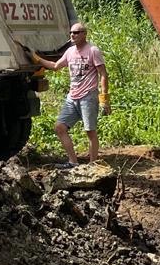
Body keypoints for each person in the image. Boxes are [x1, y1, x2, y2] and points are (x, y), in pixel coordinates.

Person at [34, 21, 110, 166]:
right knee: (60, 127)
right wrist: (37, 59)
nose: (72, 35)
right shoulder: (69, 52)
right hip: (72, 97)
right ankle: (73, 162)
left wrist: (104, 98)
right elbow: (56, 66)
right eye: (71, 33)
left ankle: (93, 165)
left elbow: (104, 75)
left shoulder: (93, 50)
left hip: (88, 96)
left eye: (76, 32)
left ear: (84, 34)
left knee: (90, 131)